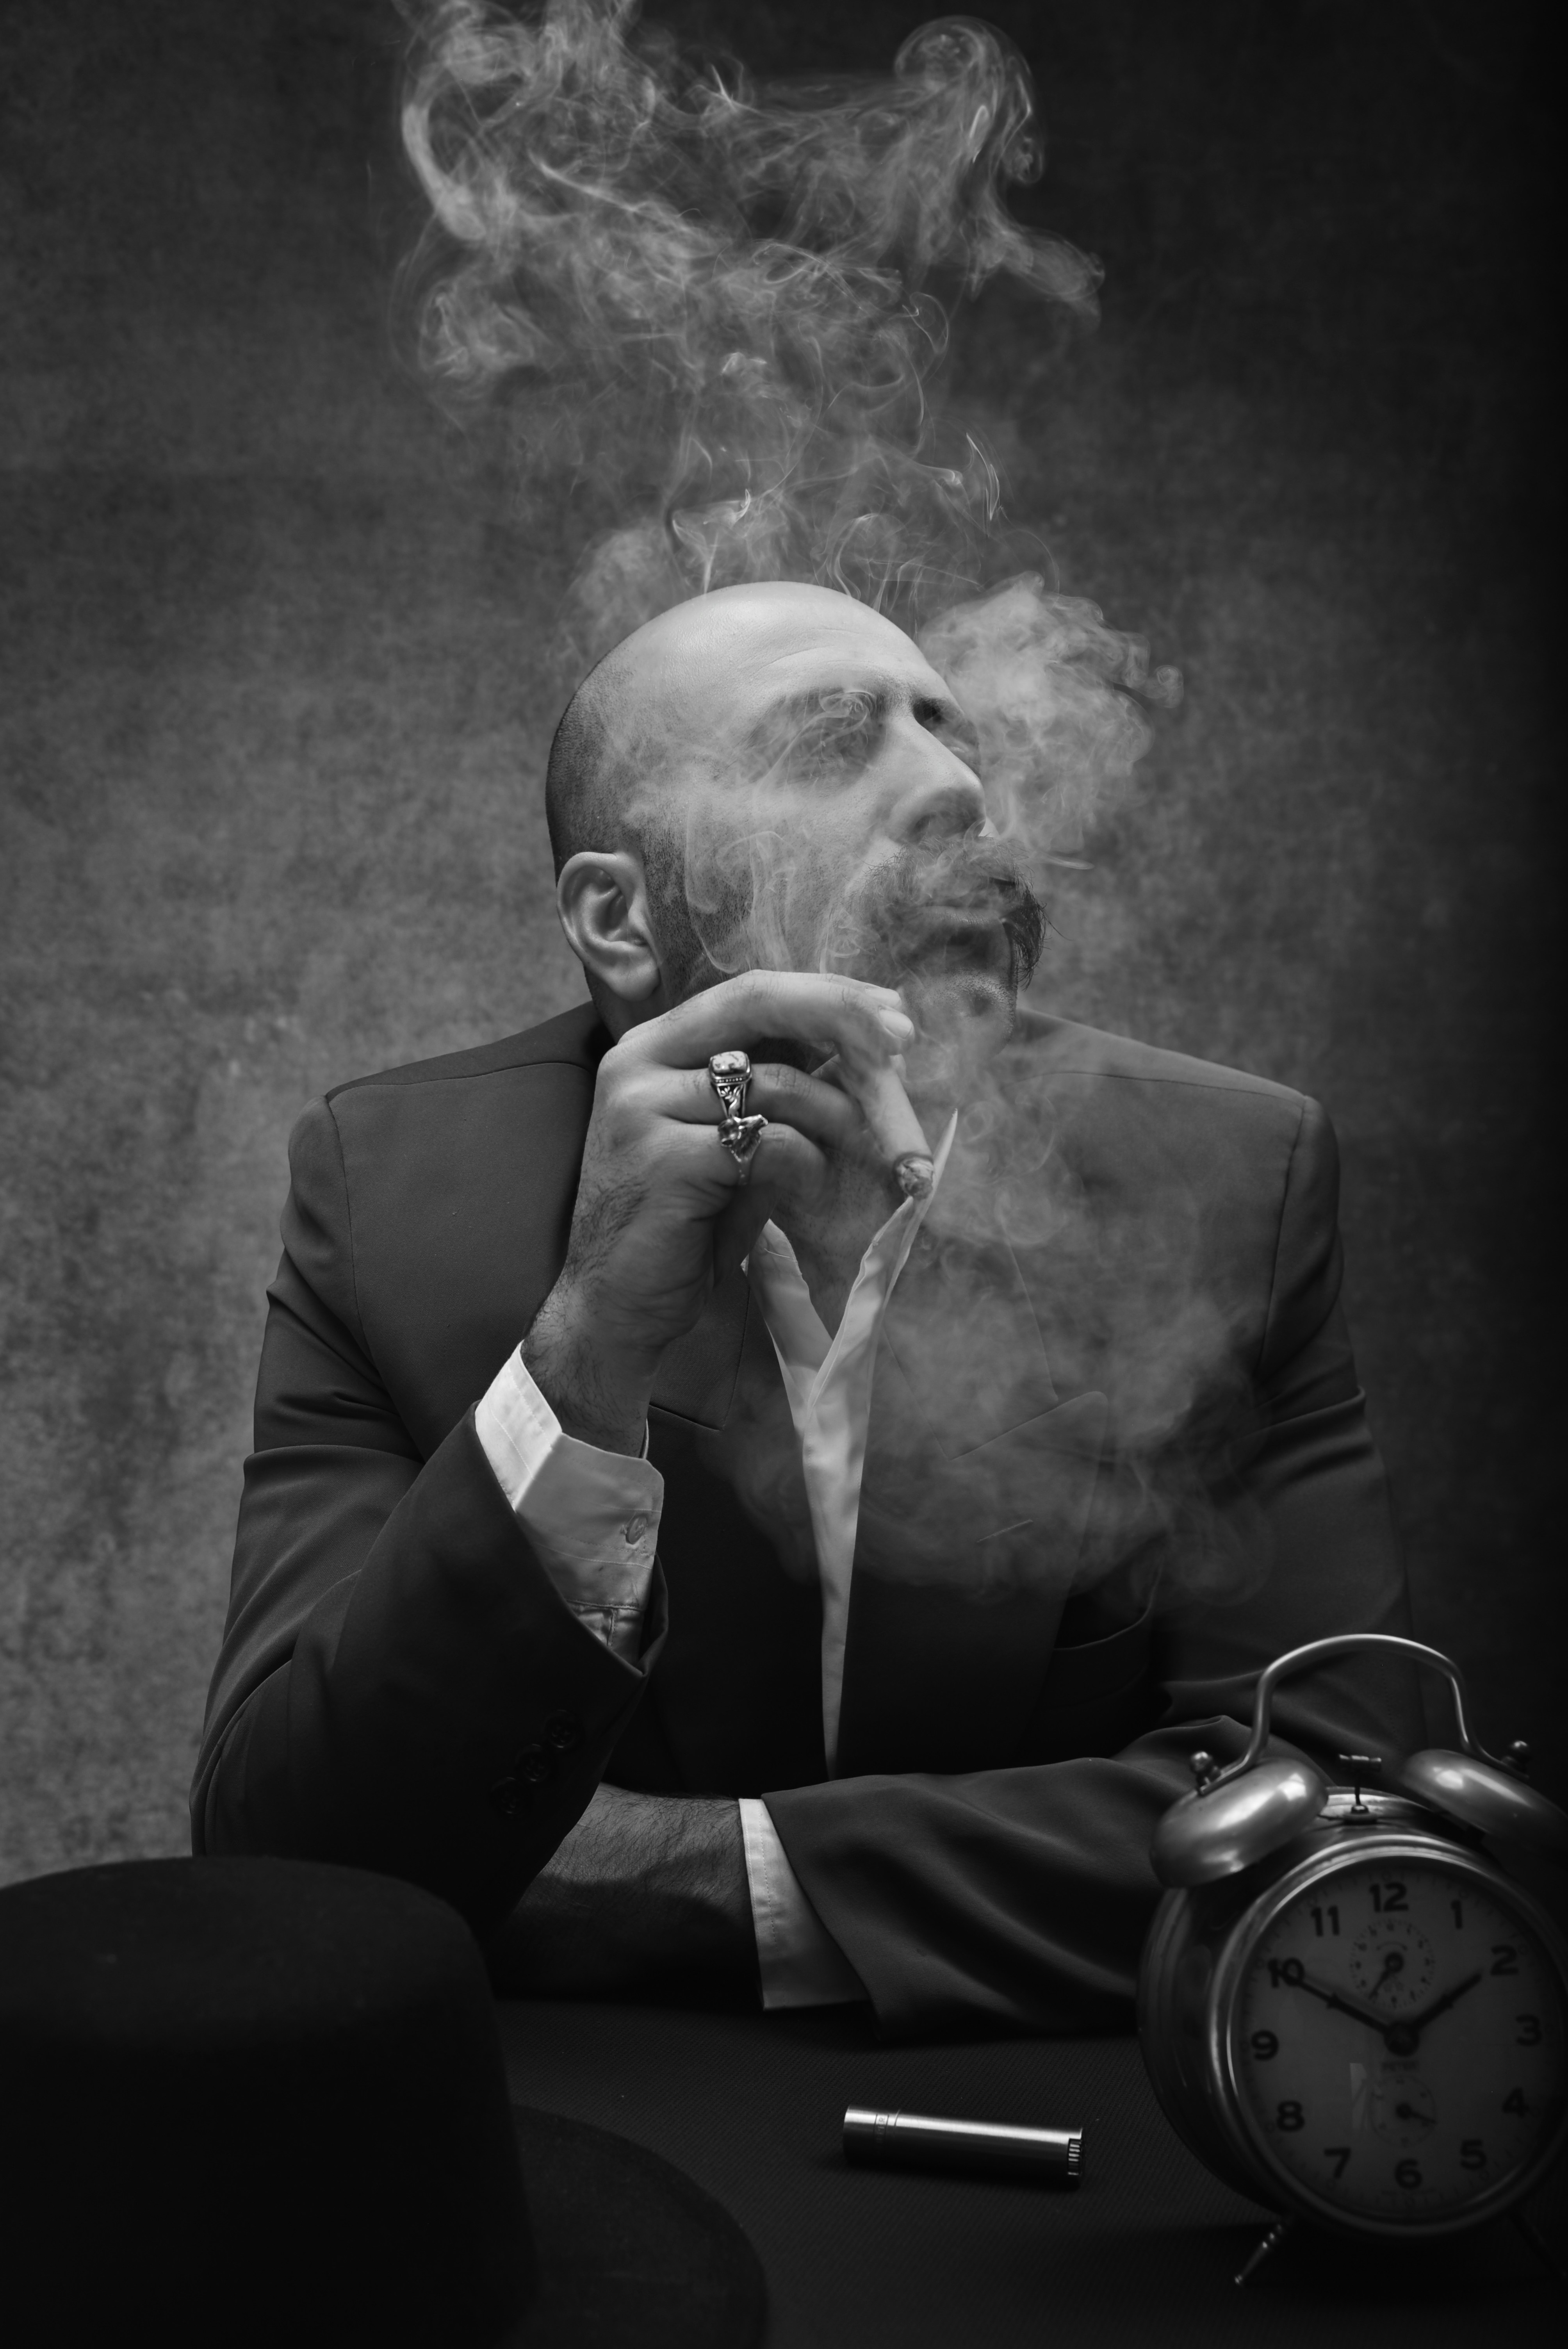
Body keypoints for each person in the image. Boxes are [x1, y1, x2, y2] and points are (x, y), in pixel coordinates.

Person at [193, 580, 1421, 2039]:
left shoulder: (1229, 1178)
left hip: (1078, 2195)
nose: (960, 785)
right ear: (621, 916)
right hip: (581, 2166)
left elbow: (1339, 1812)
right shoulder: (394, 1199)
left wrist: (692, 1873)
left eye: (949, 732)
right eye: (836, 743)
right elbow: (288, 1859)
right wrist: (585, 1350)